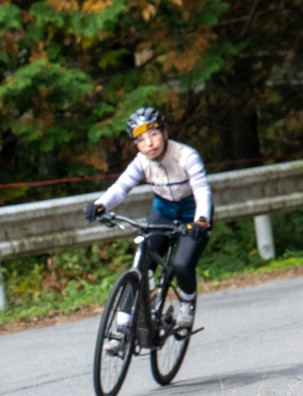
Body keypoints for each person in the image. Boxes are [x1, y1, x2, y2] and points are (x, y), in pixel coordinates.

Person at [84, 107, 212, 331]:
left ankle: (187, 305)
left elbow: (202, 190)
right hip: (163, 213)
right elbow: (122, 187)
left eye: (153, 135)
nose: (149, 144)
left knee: (182, 265)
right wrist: (100, 204)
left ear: (164, 132)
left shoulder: (186, 155)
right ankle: (123, 324)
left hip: (192, 215)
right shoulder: (141, 161)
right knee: (142, 262)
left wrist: (201, 220)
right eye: (141, 140)